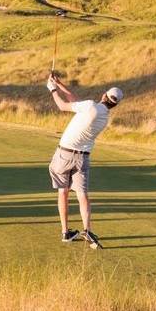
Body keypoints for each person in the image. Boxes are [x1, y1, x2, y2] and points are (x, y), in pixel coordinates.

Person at [46, 75, 122, 250]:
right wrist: (60, 84)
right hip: (83, 158)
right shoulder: (103, 117)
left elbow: (62, 106)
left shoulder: (89, 106)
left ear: (104, 95)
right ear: (114, 104)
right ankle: (87, 230)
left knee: (62, 193)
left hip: (64, 154)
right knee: (82, 195)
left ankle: (65, 232)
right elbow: (76, 102)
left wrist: (52, 89)